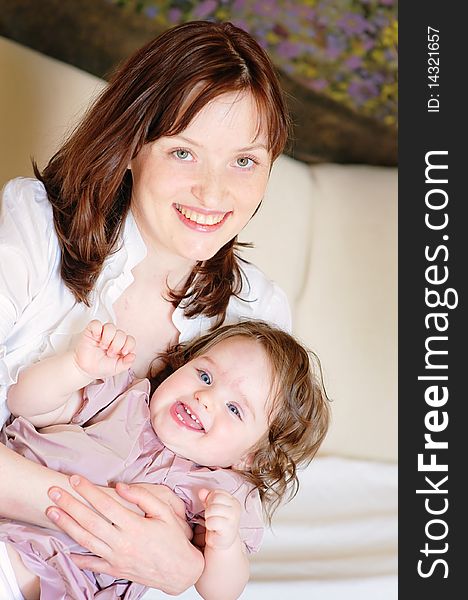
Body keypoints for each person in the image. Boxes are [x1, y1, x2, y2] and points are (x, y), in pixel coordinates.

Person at [0, 20, 293, 593]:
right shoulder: (31, 228)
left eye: (244, 161)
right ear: (131, 146)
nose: (214, 195)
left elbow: (228, 512)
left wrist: (186, 565)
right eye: (184, 152)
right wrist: (129, 531)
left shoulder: (258, 314)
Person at [0, 319, 330, 599]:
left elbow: (220, 591)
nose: (205, 398)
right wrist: (76, 368)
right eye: (205, 376)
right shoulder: (123, 397)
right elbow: (24, 403)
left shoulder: (222, 491)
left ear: (250, 456)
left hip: (50, 582)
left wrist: (225, 545)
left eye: (234, 409)